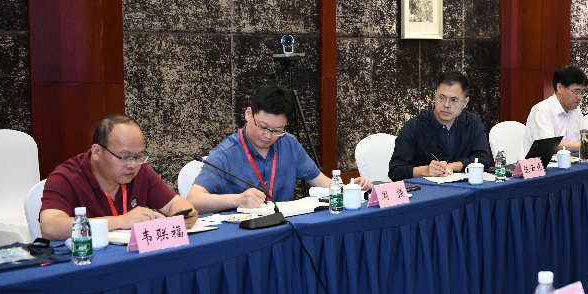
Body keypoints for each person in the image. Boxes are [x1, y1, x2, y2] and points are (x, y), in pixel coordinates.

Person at [188, 83, 369, 213]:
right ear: (249, 114)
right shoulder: (226, 153)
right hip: (243, 234)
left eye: (277, 130)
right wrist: (238, 200)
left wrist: (351, 189)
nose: (268, 135)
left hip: (283, 228)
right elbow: (193, 200)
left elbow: (321, 181)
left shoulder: (289, 143)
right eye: (263, 127)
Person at [40, 114, 198, 240]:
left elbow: (174, 204)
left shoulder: (141, 171)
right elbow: (50, 227)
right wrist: (122, 221)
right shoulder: (66, 177)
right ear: (97, 152)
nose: (132, 164)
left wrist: (184, 214)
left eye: (139, 156)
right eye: (124, 157)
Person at [389, 71, 490, 180]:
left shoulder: (472, 123)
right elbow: (395, 171)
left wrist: (453, 166)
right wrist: (425, 171)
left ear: (465, 102)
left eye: (454, 100)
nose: (446, 105)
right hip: (426, 189)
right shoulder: (414, 127)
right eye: (442, 97)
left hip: (463, 188)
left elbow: (483, 159)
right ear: (435, 95)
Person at [523, 66, 588, 156]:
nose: (580, 97)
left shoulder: (576, 110)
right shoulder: (542, 110)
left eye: (582, 92)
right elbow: (549, 146)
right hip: (539, 163)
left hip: (569, 162)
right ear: (560, 88)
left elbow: (585, 139)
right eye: (576, 91)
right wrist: (586, 145)